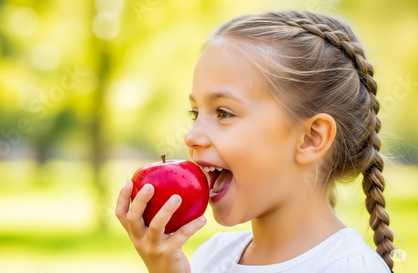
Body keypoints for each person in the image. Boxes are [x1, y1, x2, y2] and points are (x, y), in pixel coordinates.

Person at [115, 10, 397, 273]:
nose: (190, 136)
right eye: (195, 113)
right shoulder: (211, 257)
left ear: (310, 138)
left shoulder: (349, 267)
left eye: (223, 113)